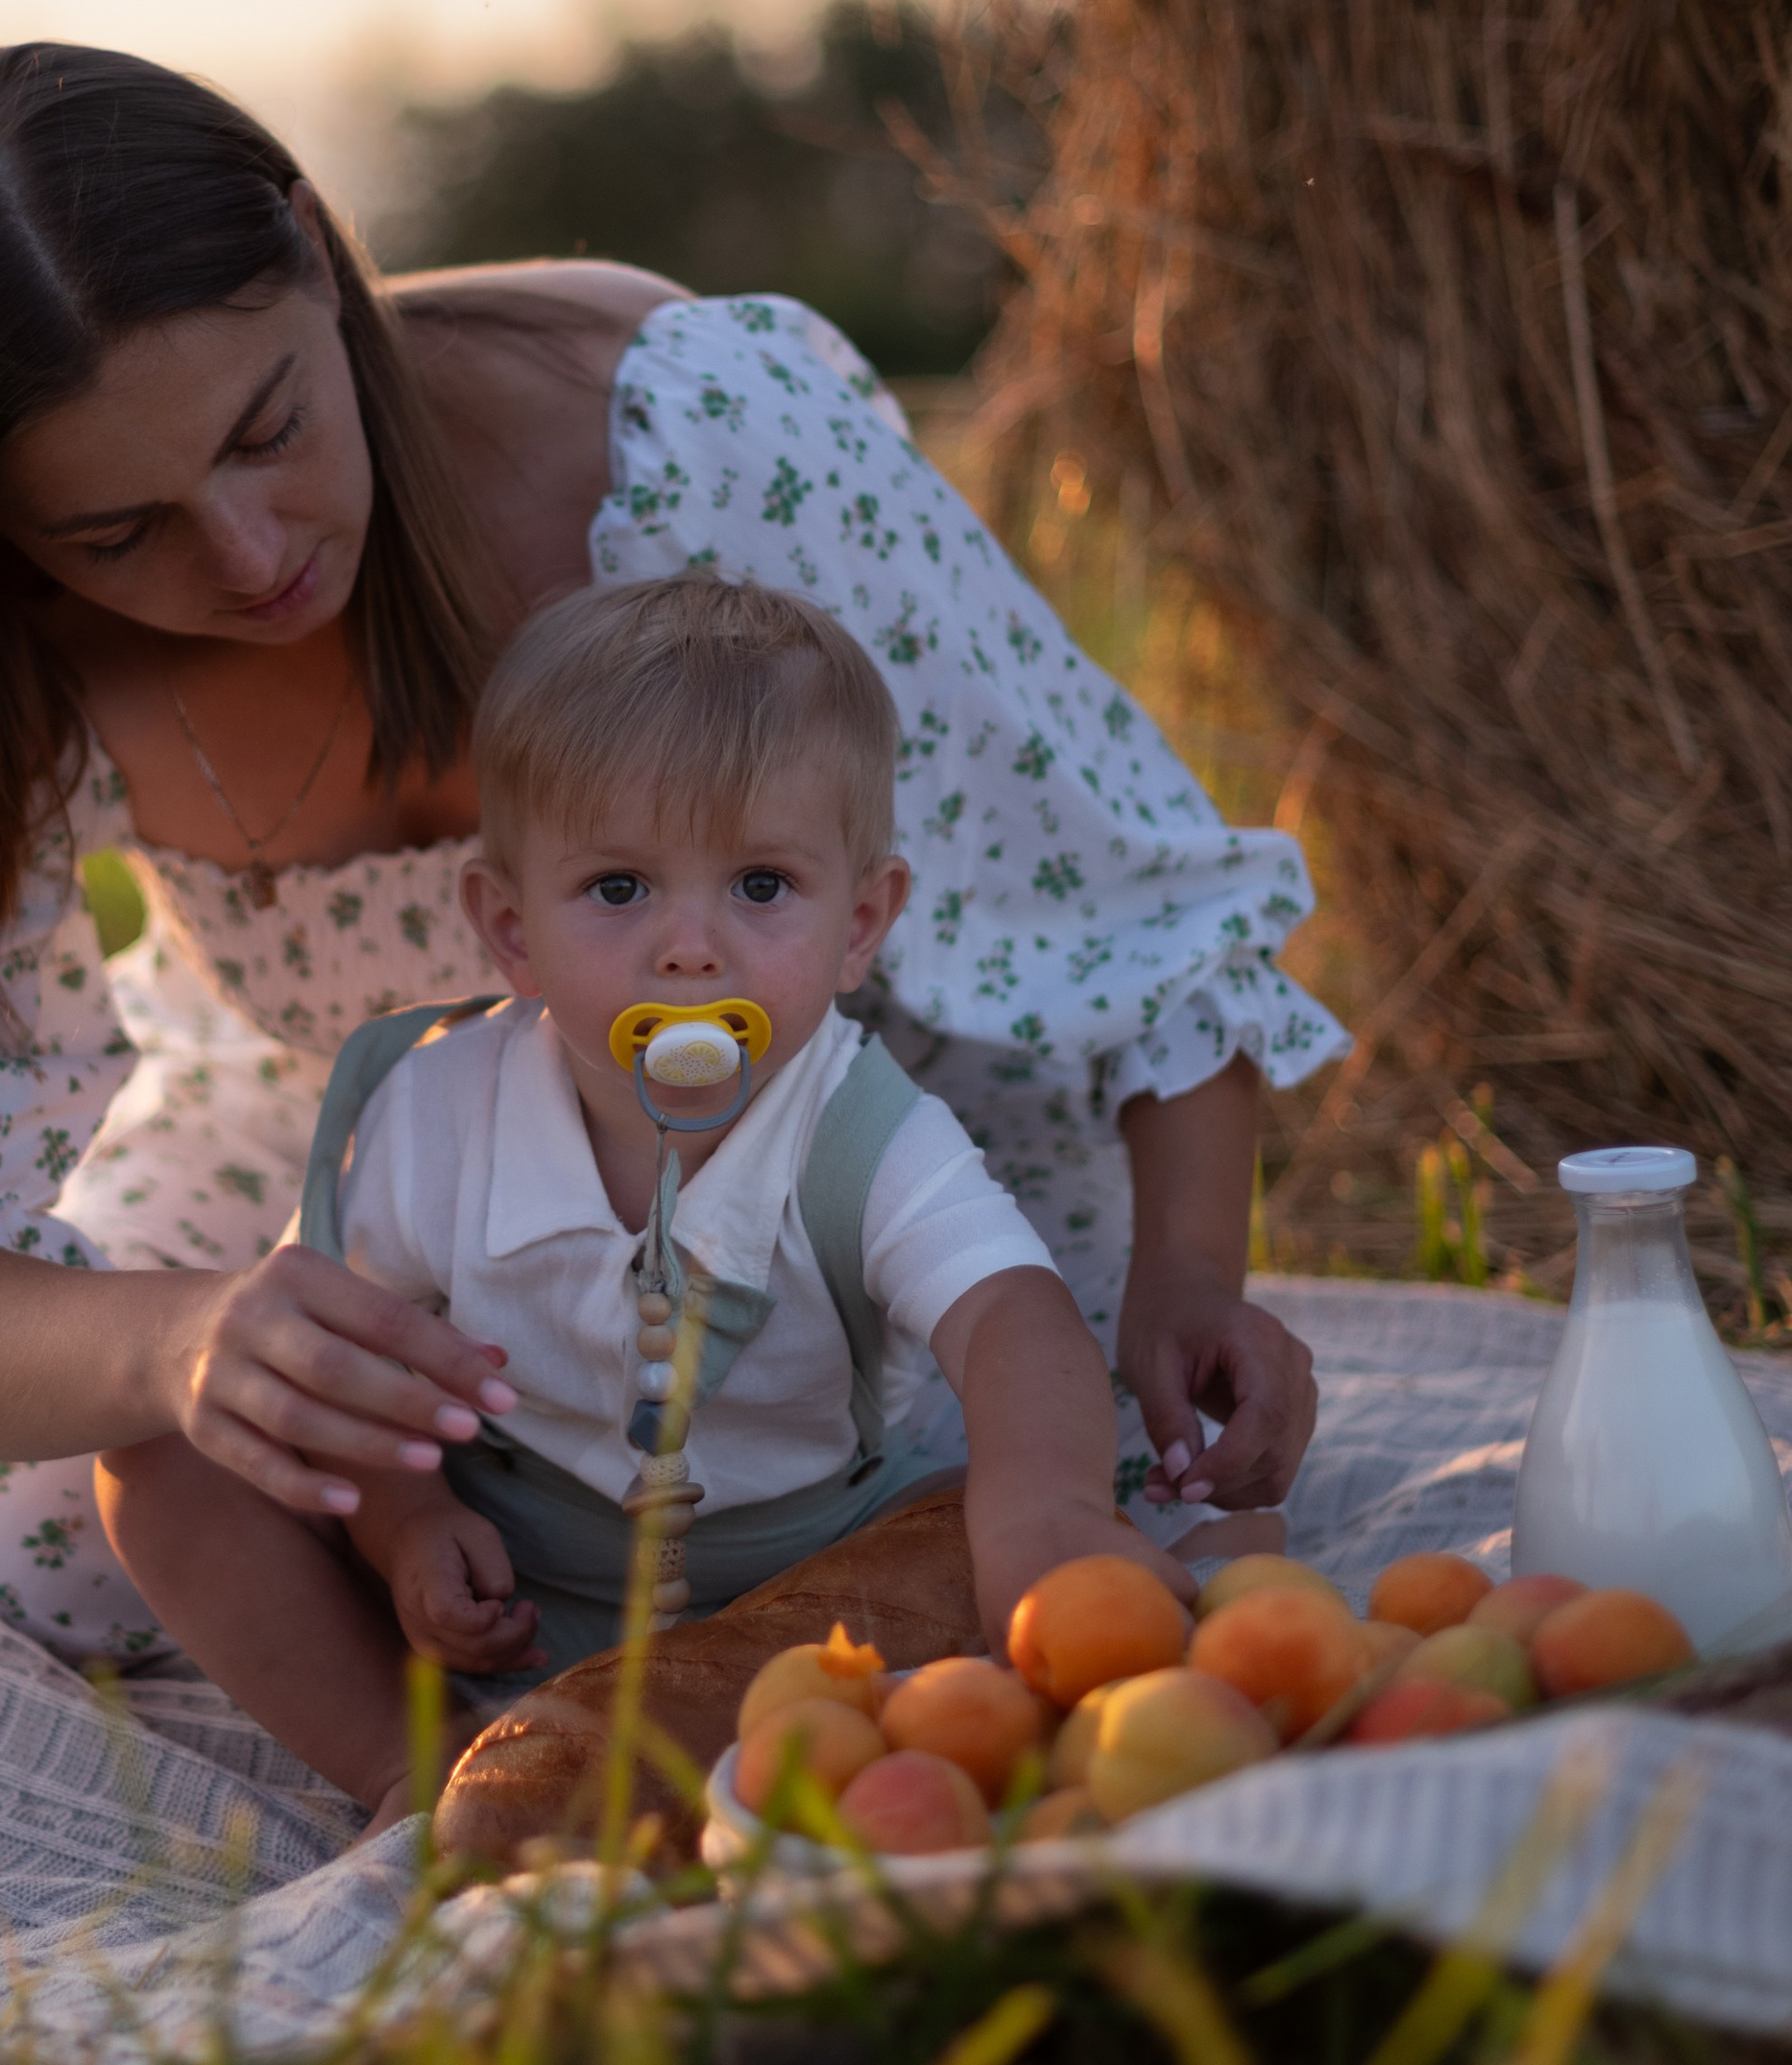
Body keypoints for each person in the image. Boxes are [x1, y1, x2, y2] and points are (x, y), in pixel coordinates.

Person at [0, 41, 1345, 1675]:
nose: (252, 554)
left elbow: (1120, 892)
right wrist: (188, 1339)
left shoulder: (696, 428)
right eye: (115, 535)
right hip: (360, 1151)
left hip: (819, 1085)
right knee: (28, 1544)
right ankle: (470, 1666)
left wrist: (1193, 1272)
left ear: (313, 251)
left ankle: (632, 1598)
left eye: (267, 429)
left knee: (1111, 1465)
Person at [142, 574, 1196, 1814]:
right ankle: (415, 1778)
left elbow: (1011, 1316)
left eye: (759, 887)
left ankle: (767, 1746)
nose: (689, 948)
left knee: (1000, 1517)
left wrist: (1045, 1515)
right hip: (512, 1572)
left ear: (861, 924)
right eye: (620, 889)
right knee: (171, 1465)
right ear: (511, 929)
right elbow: (337, 1363)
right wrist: (406, 1524)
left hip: (805, 1597)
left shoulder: (863, 1131)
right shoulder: (438, 1114)